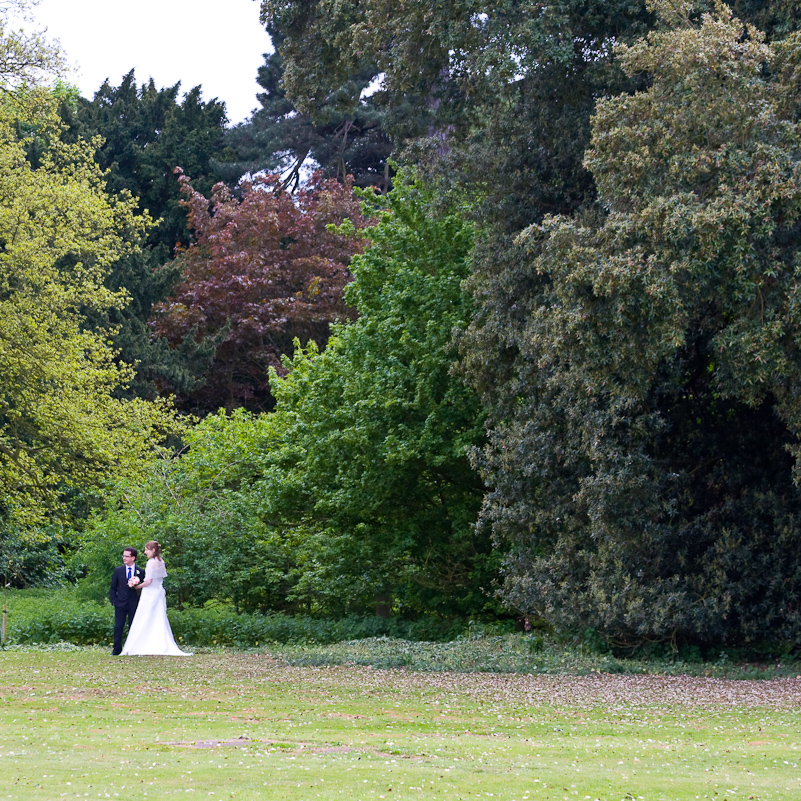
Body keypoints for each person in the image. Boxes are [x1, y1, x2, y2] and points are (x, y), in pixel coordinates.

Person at [121, 540, 191, 656]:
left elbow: (148, 581)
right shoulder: (161, 561)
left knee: (144, 618)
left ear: (153, 550)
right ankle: (158, 643)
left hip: (149, 593)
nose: (145, 552)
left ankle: (143, 644)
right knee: (158, 617)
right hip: (158, 592)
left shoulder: (151, 563)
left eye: (147, 550)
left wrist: (137, 585)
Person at [109, 547, 146, 656]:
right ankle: (116, 649)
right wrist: (115, 601)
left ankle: (133, 648)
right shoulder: (118, 570)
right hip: (120, 603)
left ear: (133, 558)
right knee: (118, 626)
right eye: (123, 556)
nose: (124, 558)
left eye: (127, 556)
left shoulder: (140, 571)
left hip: (134, 603)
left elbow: (144, 588)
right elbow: (112, 588)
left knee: (133, 626)